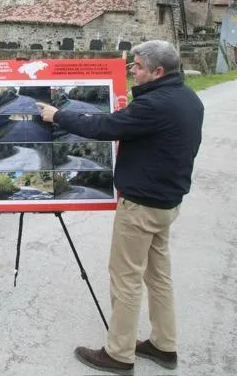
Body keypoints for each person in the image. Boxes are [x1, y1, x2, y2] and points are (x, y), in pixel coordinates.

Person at [36, 40, 204, 374]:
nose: (133, 71)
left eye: (138, 66)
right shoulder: (188, 98)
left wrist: (59, 115)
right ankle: (164, 345)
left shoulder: (154, 105)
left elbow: (103, 127)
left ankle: (119, 353)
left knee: (126, 279)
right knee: (158, 277)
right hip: (166, 202)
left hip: (141, 205)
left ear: (157, 72)